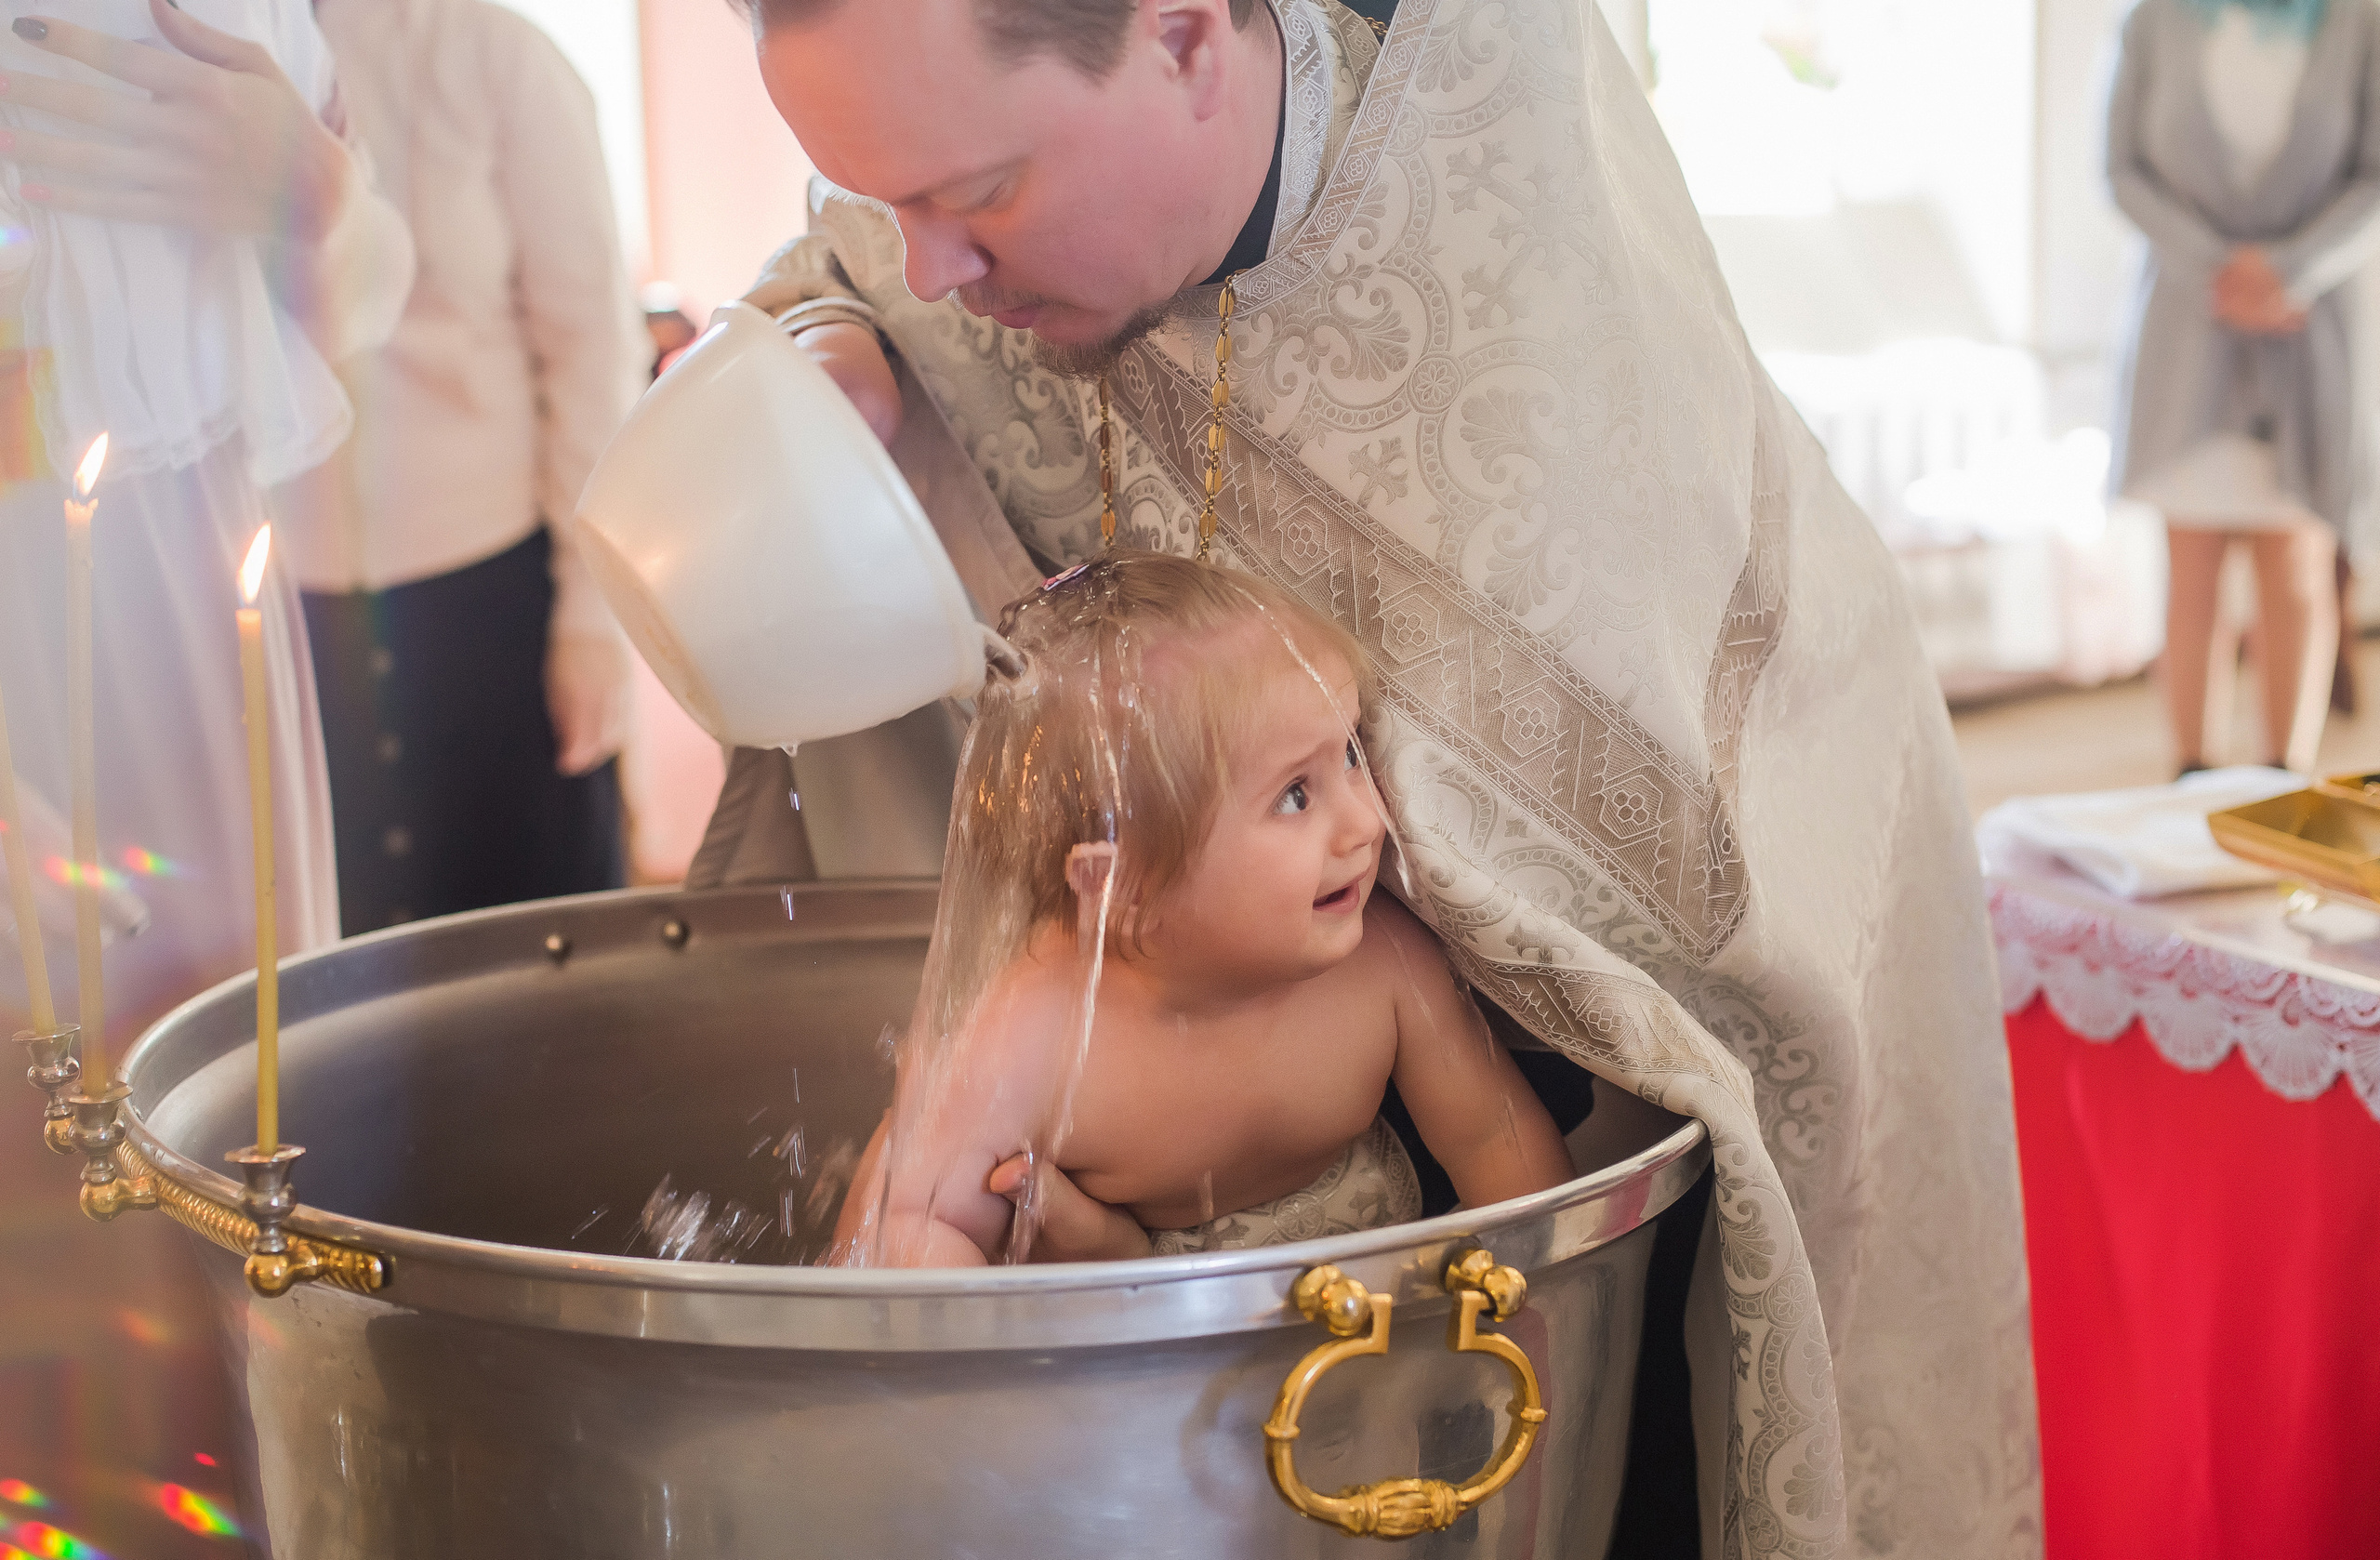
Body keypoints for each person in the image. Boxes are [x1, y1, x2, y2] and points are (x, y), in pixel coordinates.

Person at [720, 1, 2041, 1554]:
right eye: (893, 203)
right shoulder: (951, 199)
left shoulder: (1488, 175)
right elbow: (842, 278)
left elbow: (1636, 808)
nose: (935, 266)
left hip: (1606, 1075)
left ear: (1187, 35)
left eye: (979, 194)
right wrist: (838, 356)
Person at [834, 550, 1574, 1267]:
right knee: (990, 1198)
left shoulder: (1384, 963)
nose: (1366, 821)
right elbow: (907, 1221)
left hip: (1358, 1260)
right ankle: (1100, 1251)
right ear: (1129, 891)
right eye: (1294, 796)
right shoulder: (1030, 1030)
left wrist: (1534, 1310)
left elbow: (1493, 1141)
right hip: (1126, 1319)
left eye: (1349, 753)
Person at [0, 0, 411, 1046]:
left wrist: (321, 203)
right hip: (30, 612)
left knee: (245, 1104)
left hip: (201, 572)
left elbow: (360, 308)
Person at [276, 0, 645, 933]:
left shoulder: (503, 58)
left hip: (496, 591)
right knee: (341, 965)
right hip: (290, 610)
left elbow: (592, 349)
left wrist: (593, 615)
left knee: (537, 949)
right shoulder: (233, 47)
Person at [2108, 0, 2380, 774]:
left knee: (2296, 555)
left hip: (2312, 328)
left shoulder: (2358, 25)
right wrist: (2219, 269)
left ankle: (2281, 785)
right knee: (2190, 559)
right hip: (2189, 327)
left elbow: (2374, 173)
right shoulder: (2152, 20)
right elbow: (2121, 170)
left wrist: (2287, 269)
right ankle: (2188, 776)